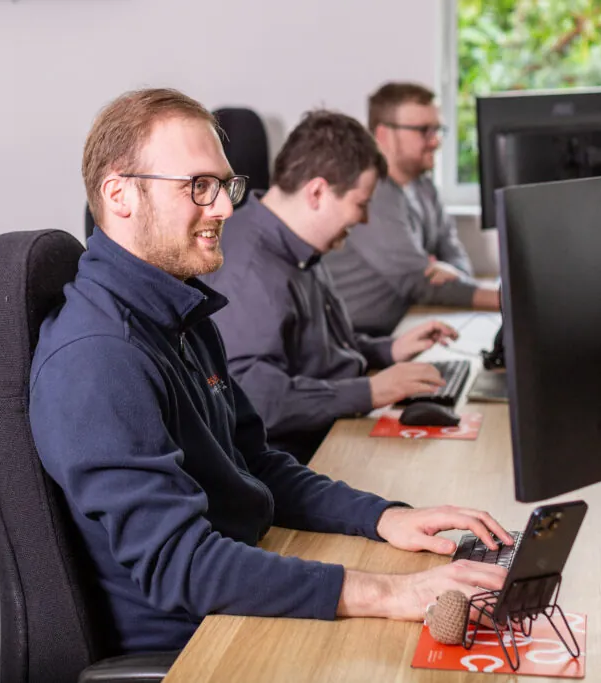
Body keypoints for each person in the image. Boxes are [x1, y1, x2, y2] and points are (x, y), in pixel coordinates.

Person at [28, 88, 512, 655]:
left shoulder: (179, 310)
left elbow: (255, 465)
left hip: (246, 583)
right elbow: (181, 566)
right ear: (119, 194)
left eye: (224, 186)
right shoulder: (98, 359)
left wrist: (384, 518)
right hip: (202, 642)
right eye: (198, 187)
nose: (226, 208)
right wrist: (387, 593)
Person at [202, 110, 460, 464]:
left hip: (331, 430)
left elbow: (319, 352)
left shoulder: (301, 246)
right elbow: (256, 399)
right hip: (295, 458)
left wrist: (388, 350)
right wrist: (370, 391)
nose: (364, 220)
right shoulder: (250, 270)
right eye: (361, 204)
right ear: (318, 191)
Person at [323, 82, 501, 336]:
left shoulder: (425, 187)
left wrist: (450, 270)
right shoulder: (371, 194)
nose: (435, 141)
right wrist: (506, 300)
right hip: (362, 342)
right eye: (424, 131)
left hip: (406, 326)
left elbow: (456, 257)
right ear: (384, 135)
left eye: (437, 129)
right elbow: (418, 282)